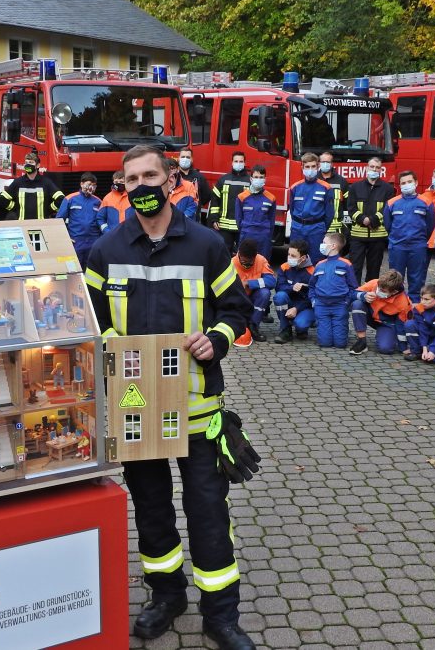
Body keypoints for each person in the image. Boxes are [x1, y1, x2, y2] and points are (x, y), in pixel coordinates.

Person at [84, 145, 254, 649]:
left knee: (208, 513)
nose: (141, 186)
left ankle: (221, 616)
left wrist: (216, 339)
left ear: (171, 179)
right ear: (123, 186)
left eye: (150, 176)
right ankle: (167, 596)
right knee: (152, 508)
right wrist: (110, 345)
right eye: (131, 179)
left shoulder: (207, 245)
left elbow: (236, 310)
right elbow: (89, 321)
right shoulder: (105, 251)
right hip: (137, 406)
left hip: (198, 410)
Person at [383, 170, 435, 303]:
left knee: (416, 279)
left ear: (416, 183)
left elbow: (430, 226)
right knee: (394, 278)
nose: (407, 185)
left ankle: (414, 306)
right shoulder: (391, 203)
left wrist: (420, 240)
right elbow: (388, 225)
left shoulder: (426, 202)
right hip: (397, 246)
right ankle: (396, 304)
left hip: (417, 247)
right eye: (403, 183)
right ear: (399, 185)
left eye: (409, 182)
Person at [346, 156, 393, 283]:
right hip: (357, 236)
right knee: (355, 268)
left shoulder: (388, 189)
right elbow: (351, 208)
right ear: (367, 168)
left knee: (374, 270)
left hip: (378, 236)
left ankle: (370, 293)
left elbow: (387, 209)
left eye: (377, 167)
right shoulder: (355, 187)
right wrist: (362, 219)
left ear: (381, 170)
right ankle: (355, 292)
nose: (374, 169)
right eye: (372, 166)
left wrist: (372, 220)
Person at [309, 232, 359, 349]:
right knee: (324, 343)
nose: (321, 245)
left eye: (324, 242)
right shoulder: (319, 264)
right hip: (321, 305)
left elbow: (353, 287)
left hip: (340, 305)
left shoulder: (346, 264)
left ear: (333, 246)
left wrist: (346, 302)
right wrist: (314, 301)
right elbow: (312, 286)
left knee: (340, 344)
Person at [349, 268, 412, 356]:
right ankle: (361, 341)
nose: (378, 291)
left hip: (387, 324)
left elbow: (401, 326)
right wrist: (363, 296)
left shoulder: (403, 303)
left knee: (385, 349)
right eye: (379, 287)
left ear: (394, 292)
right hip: (371, 316)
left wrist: (403, 348)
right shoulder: (375, 283)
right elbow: (350, 294)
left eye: (383, 291)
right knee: (357, 304)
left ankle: (385, 335)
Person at [287, 153, 336, 263]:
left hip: (316, 229)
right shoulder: (295, 187)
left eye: (313, 166)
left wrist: (320, 227)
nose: (310, 170)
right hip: (297, 229)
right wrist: (298, 223)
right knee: (295, 260)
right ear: (302, 167)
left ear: (318, 167)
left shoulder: (326, 188)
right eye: (307, 167)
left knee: (316, 260)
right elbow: (292, 210)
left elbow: (329, 214)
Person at [0, 151, 65, 220]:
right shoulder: (18, 182)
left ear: (38, 165)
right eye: (26, 163)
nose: (28, 165)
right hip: (22, 224)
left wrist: (48, 210)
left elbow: (61, 198)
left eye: (31, 162)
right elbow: (2, 199)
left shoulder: (46, 183)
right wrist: (16, 208)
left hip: (40, 224)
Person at [231, 239, 275, 344]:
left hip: (254, 296)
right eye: (243, 262)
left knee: (265, 293)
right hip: (238, 299)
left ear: (255, 256)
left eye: (250, 262)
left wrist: (249, 283)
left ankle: (253, 326)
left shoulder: (261, 260)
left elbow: (271, 281)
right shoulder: (231, 263)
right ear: (239, 254)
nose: (246, 265)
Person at [56, 172, 103, 267]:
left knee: (92, 270)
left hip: (93, 242)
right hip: (75, 241)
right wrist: (66, 238)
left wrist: (99, 240)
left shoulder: (98, 201)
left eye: (94, 185)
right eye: (89, 184)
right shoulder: (70, 199)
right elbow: (58, 221)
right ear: (81, 184)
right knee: (74, 269)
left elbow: (102, 221)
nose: (91, 187)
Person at [272, 239, 315, 344]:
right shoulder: (284, 267)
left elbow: (313, 298)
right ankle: (285, 329)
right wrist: (291, 287)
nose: (289, 258)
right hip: (289, 302)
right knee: (279, 296)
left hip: (305, 306)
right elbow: (279, 287)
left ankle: (302, 329)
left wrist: (297, 308)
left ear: (303, 258)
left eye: (293, 256)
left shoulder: (312, 272)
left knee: (300, 325)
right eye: (288, 254)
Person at [210, 152, 250, 253]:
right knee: (224, 254)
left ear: (245, 163)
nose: (238, 163)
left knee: (242, 255)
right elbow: (215, 200)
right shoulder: (223, 180)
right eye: (236, 161)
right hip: (224, 227)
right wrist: (214, 219)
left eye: (241, 161)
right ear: (232, 163)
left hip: (243, 226)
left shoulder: (250, 181)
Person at [235, 165, 277, 262]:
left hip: (264, 237)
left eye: (261, 177)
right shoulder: (241, 197)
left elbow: (271, 221)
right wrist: (245, 230)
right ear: (251, 179)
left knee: (263, 263)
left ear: (265, 179)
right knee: (244, 262)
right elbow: (238, 219)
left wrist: (267, 235)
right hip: (247, 234)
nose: (258, 179)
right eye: (256, 177)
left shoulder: (271, 198)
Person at [404, 284, 435, 364]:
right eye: (421, 298)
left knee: (433, 359)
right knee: (410, 325)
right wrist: (424, 348)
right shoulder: (418, 308)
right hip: (427, 336)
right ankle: (416, 351)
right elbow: (422, 329)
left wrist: (433, 351)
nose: (422, 302)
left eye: (426, 299)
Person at [319, 151, 351, 251]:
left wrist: (346, 227)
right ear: (319, 163)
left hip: (336, 230)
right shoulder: (314, 180)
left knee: (335, 256)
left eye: (328, 162)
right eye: (323, 162)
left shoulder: (341, 181)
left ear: (332, 164)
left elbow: (348, 205)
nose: (325, 164)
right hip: (318, 228)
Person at [176, 147, 212, 222]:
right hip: (176, 218)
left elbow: (207, 195)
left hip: (194, 219)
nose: (185, 159)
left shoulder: (199, 177)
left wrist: (197, 205)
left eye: (188, 157)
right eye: (183, 157)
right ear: (178, 158)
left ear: (192, 159)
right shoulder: (173, 176)